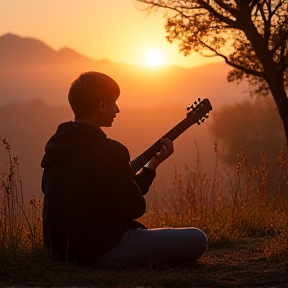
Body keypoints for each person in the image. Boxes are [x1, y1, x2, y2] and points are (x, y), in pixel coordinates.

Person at [41, 71, 207, 268]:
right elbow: (135, 207)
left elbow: (103, 194)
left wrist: (152, 165)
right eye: (114, 102)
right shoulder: (110, 151)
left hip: (60, 251)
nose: (117, 110)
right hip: (99, 251)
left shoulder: (56, 147)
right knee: (197, 239)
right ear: (102, 106)